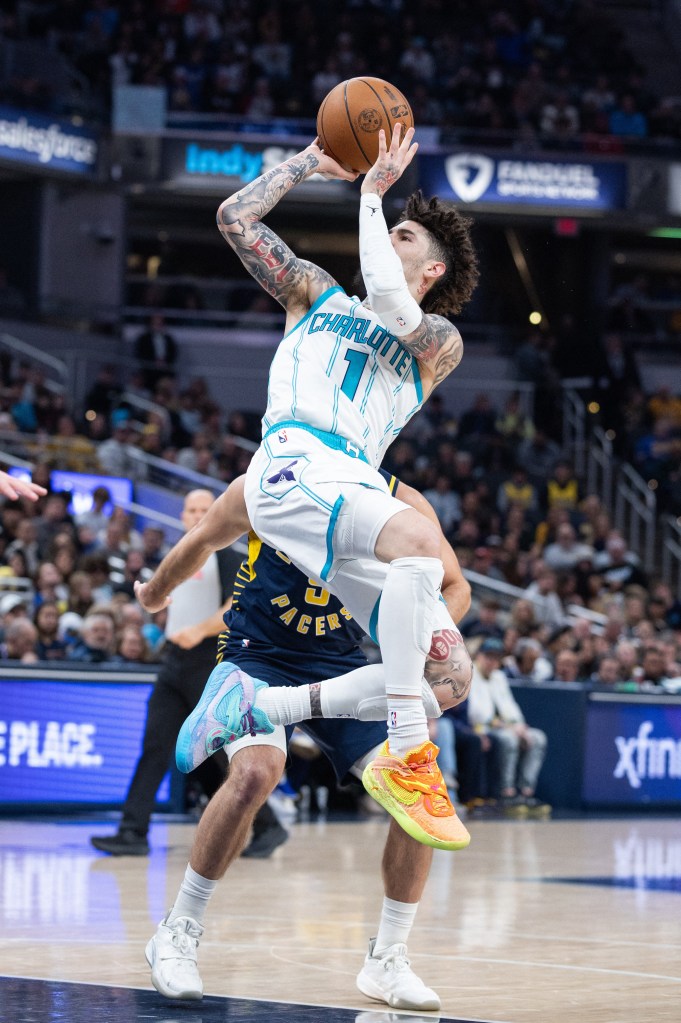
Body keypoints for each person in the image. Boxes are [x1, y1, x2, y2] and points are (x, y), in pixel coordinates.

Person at [179, 123, 479, 851]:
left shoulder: (437, 341)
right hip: (295, 468)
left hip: (351, 488)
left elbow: (392, 299)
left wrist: (373, 199)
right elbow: (233, 218)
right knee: (416, 541)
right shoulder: (315, 293)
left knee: (452, 676)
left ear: (432, 270)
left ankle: (276, 706)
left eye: (404, 237)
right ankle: (392, 747)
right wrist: (311, 163)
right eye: (389, 229)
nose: (386, 239)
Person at [134, 469, 472, 1007]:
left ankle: (387, 958)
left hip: (342, 661)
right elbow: (200, 540)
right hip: (256, 654)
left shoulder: (402, 502)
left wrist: (419, 636)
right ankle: (177, 931)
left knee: (416, 785)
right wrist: (155, 592)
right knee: (255, 773)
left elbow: (456, 587)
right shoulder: (264, 481)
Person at [90, 489, 251, 856]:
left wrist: (198, 630)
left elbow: (235, 606)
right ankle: (132, 832)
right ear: (181, 515)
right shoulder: (180, 554)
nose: (197, 515)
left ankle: (268, 824)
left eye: (204, 509)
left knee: (221, 746)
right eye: (191, 509)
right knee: (157, 744)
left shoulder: (229, 555)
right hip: (174, 659)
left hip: (209, 658)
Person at [466, 637, 550, 817]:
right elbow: (476, 712)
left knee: (538, 738)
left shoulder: (499, 677)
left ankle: (526, 792)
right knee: (509, 739)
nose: (491, 662)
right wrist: (507, 726)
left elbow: (510, 706)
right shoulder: (469, 673)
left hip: (507, 726)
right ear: (479, 656)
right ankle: (507, 792)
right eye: (488, 656)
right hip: (482, 728)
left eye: (495, 658)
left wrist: (519, 726)